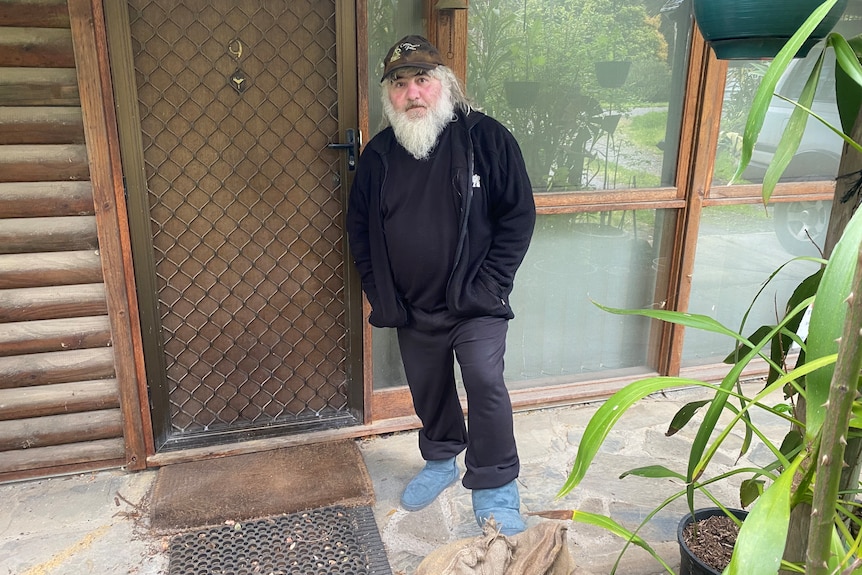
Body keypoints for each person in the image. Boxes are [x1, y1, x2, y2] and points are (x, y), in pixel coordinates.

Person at [346, 35, 535, 536]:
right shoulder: (379, 155)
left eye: (423, 80)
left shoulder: (486, 138)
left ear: (444, 84)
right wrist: (379, 291)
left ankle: (495, 484)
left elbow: (517, 216)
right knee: (428, 390)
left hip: (476, 303)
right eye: (400, 83)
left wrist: (493, 283)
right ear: (388, 94)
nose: (413, 93)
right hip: (411, 307)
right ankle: (441, 459)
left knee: (485, 382)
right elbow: (361, 230)